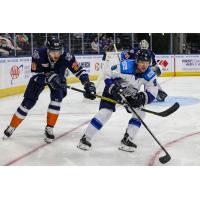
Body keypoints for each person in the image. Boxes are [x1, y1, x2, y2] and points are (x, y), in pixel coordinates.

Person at [3, 36, 96, 143]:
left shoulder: (67, 56)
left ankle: (49, 128)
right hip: (41, 78)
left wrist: (87, 83)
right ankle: (12, 126)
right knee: (27, 103)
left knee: (56, 101)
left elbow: (79, 71)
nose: (56, 55)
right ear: (47, 50)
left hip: (59, 79)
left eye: (58, 52)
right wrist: (48, 77)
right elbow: (35, 72)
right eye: (53, 52)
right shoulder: (38, 54)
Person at [77, 49, 158, 152]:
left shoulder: (150, 74)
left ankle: (127, 139)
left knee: (140, 112)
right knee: (106, 112)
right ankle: (85, 139)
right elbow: (107, 75)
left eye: (147, 63)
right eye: (142, 62)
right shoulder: (125, 66)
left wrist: (141, 98)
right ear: (137, 60)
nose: (144, 65)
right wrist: (112, 88)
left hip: (129, 93)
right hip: (113, 89)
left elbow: (152, 92)